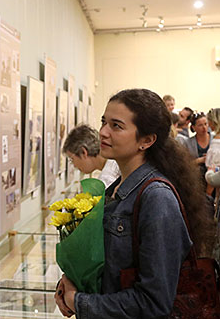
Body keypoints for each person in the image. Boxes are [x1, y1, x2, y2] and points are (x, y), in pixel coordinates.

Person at [55, 89, 213, 318]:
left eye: (116, 126)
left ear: (146, 140)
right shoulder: (116, 188)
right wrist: (71, 284)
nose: (102, 132)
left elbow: (153, 302)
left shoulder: (157, 198)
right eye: (103, 122)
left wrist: (79, 301)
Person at [179, 112, 213, 193]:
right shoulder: (188, 142)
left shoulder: (215, 138)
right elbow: (186, 164)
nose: (204, 128)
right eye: (200, 125)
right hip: (197, 178)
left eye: (205, 124)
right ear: (193, 127)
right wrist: (201, 160)